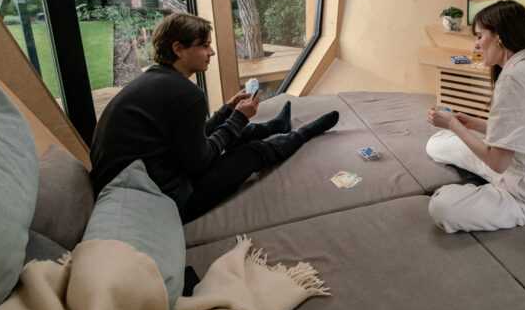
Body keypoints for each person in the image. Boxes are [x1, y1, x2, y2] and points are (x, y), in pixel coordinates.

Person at [90, 12, 339, 224]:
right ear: (178, 49)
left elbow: (192, 140)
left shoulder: (154, 81)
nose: (212, 52)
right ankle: (304, 134)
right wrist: (238, 118)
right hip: (166, 202)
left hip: (147, 183)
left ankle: (276, 126)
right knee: (252, 152)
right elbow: (201, 161)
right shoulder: (186, 94)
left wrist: (227, 111)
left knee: (231, 132)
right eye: (204, 45)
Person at [425, 0, 525, 233]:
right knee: (436, 144)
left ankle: (478, 195)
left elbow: (498, 163)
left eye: (479, 36)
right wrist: (474, 124)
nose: (476, 44)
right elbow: (523, 128)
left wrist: (453, 125)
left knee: (441, 206)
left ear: (499, 37)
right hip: (516, 166)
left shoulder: (513, 80)